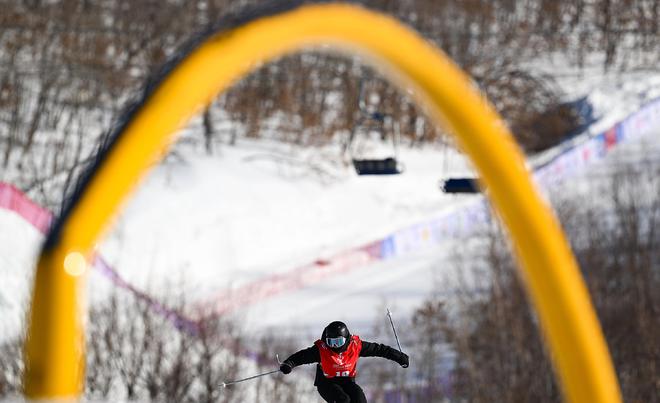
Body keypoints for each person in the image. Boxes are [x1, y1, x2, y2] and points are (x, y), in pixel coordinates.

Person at [279, 320, 409, 403]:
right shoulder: (322, 350)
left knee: (359, 399)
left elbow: (380, 350)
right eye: (331, 342)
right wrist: (288, 364)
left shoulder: (356, 346)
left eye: (338, 342)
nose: (335, 346)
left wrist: (399, 357)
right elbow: (301, 356)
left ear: (346, 339)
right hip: (327, 384)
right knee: (343, 400)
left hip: (347, 382)